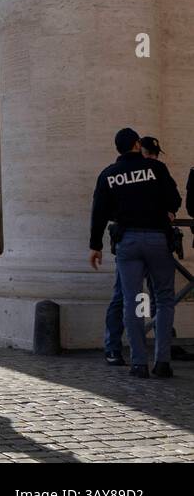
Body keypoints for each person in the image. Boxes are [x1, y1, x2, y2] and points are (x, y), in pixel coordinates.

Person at [91, 128, 181, 378]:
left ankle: (138, 363)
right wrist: (166, 209)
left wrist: (95, 245)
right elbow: (174, 198)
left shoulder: (108, 175)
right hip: (157, 238)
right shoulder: (156, 169)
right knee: (163, 299)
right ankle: (162, 361)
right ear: (137, 144)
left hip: (127, 240)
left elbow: (99, 211)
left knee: (131, 301)